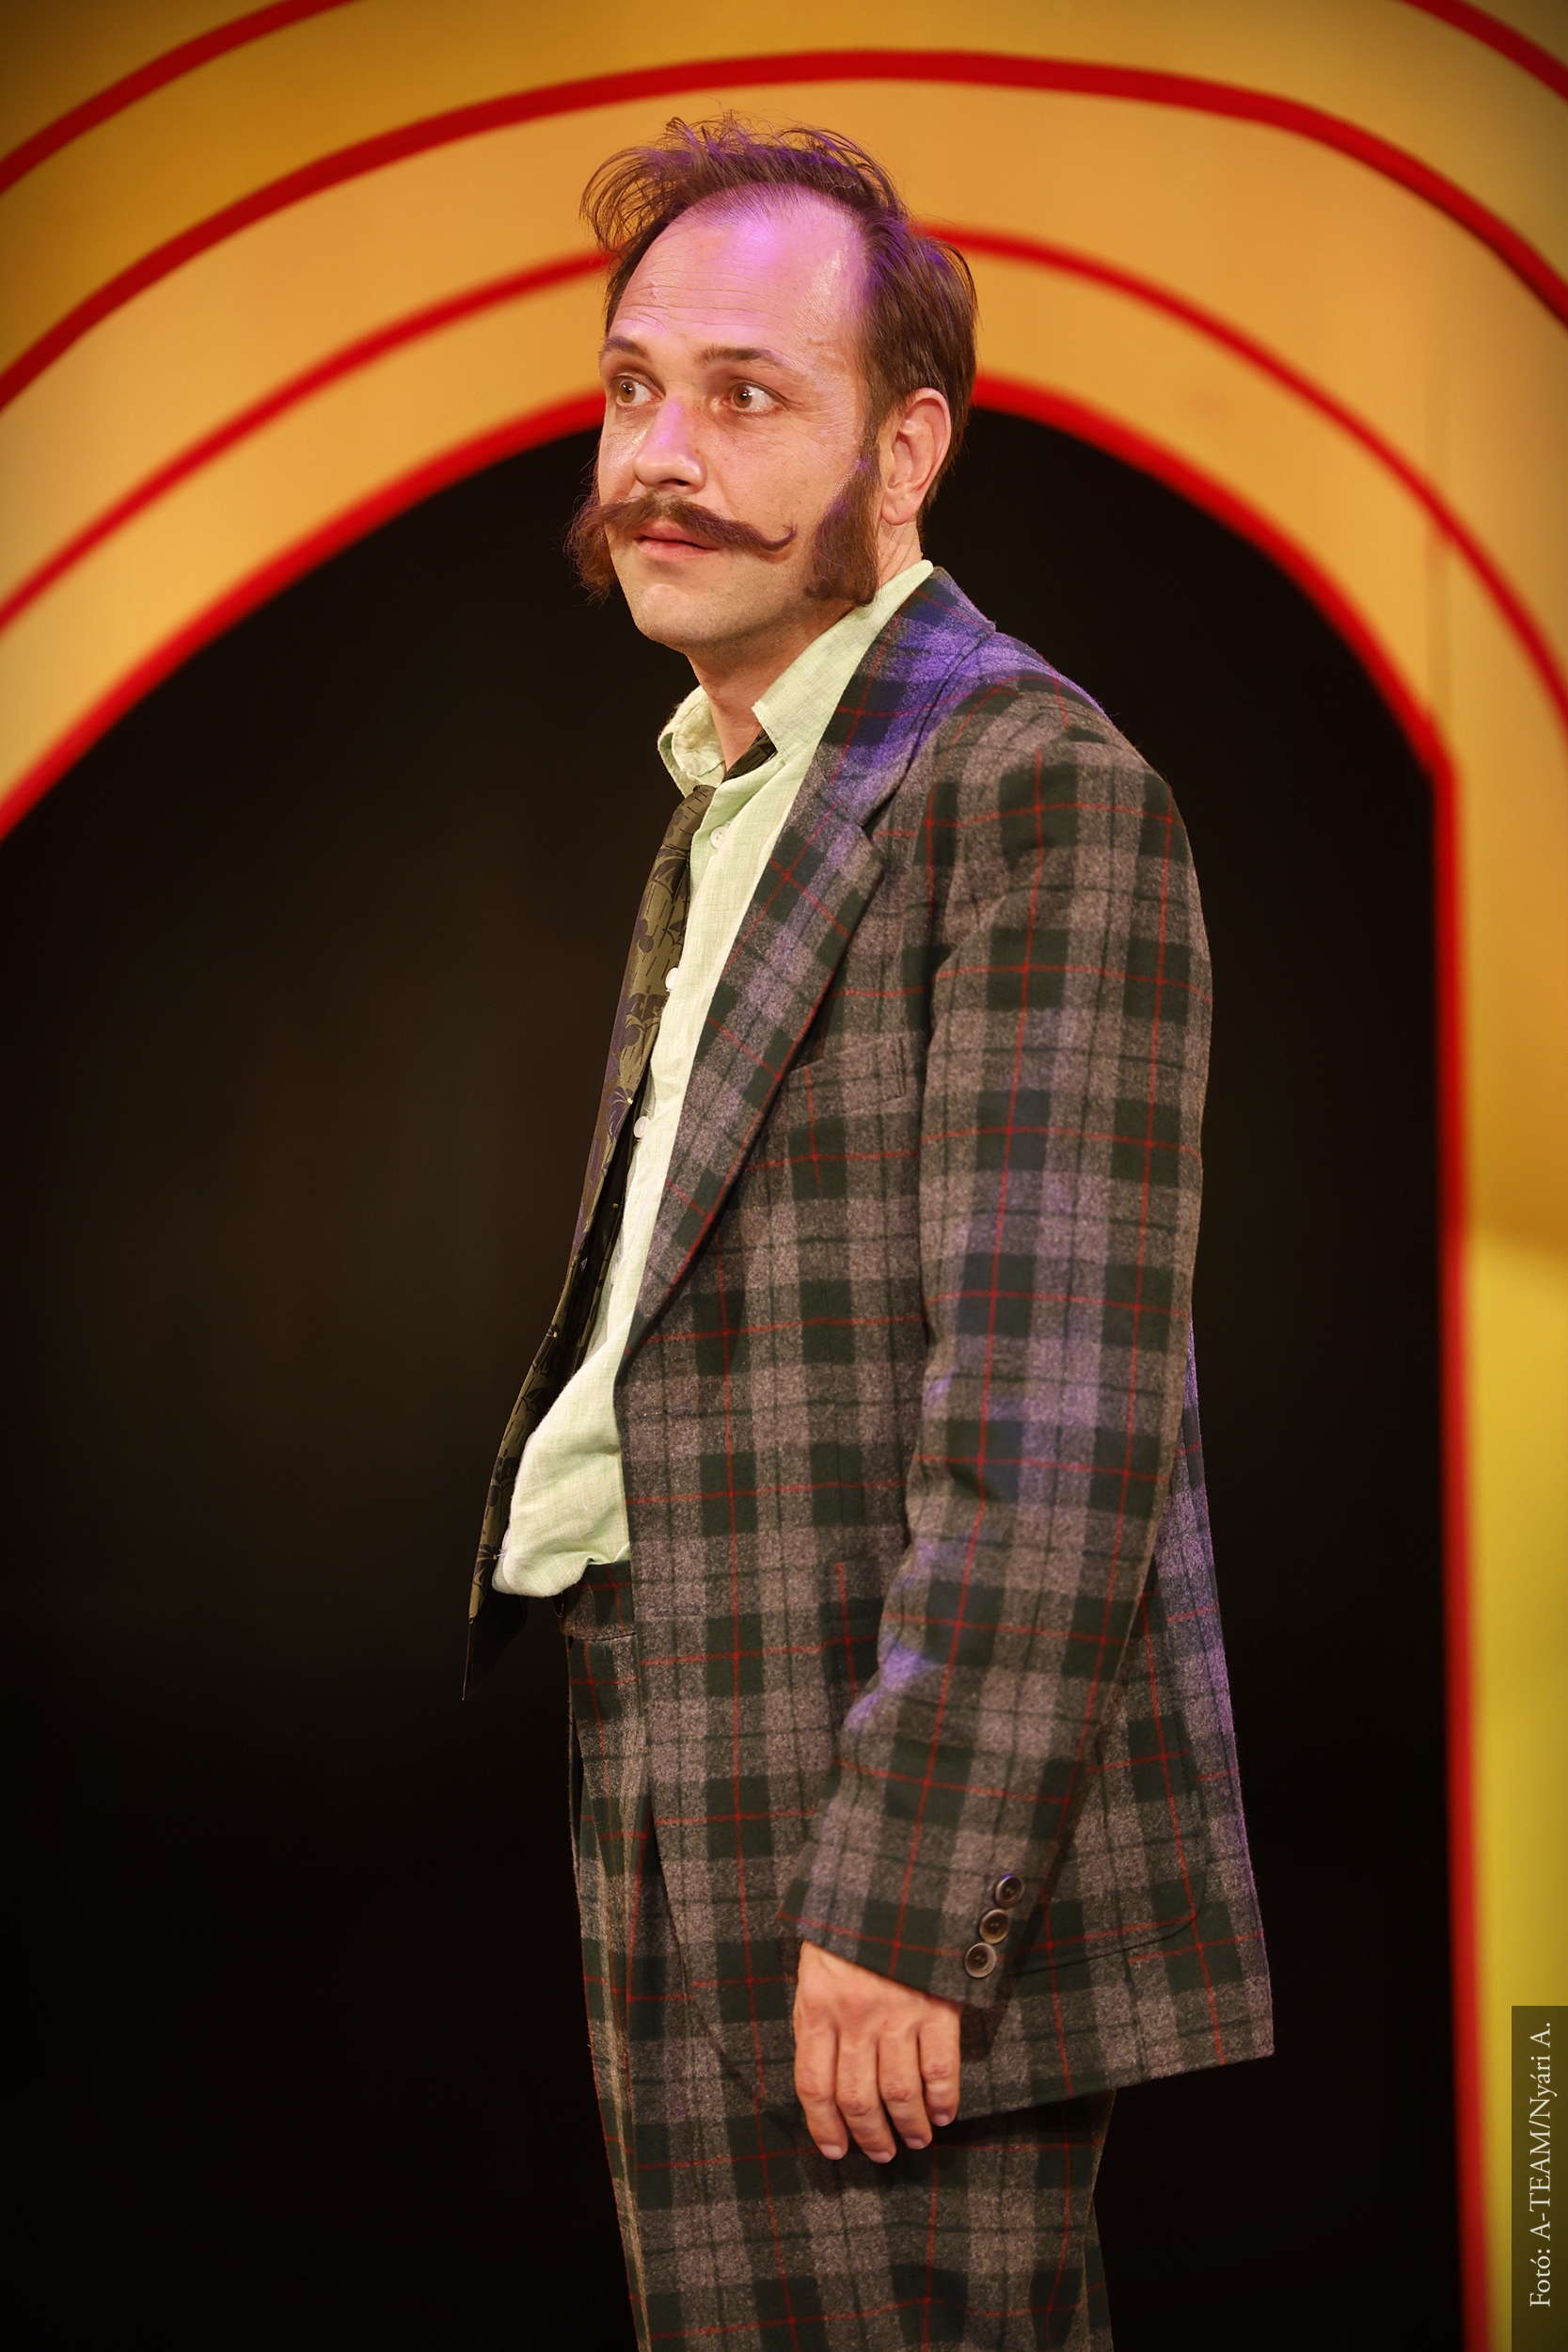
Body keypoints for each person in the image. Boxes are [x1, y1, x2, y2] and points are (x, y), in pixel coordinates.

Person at [466, 117, 1271, 2352]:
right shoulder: (737, 788)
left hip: (880, 1855)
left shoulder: (1027, 785)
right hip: (687, 1750)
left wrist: (912, 1893)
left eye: (747, 394)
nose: (661, 454)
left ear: (904, 451)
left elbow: (1059, 1408)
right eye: (635, 387)